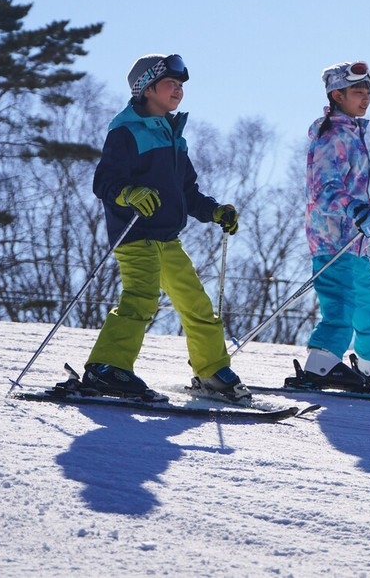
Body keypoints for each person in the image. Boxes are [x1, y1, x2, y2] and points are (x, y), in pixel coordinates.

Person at [83, 53, 248, 402]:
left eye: (181, 86)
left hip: (167, 238)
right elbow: (105, 181)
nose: (178, 91)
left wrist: (215, 211)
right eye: (171, 84)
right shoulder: (126, 131)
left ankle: (211, 370)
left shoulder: (173, 136)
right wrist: (129, 193)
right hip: (136, 235)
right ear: (146, 88)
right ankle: (106, 367)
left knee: (196, 304)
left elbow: (186, 192)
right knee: (141, 299)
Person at [284, 60, 370, 393]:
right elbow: (325, 188)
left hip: (353, 239)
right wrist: (357, 210)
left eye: (368, 91)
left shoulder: (353, 133)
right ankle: (321, 364)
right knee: (340, 301)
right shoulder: (334, 135)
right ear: (337, 94)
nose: (366, 97)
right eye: (357, 91)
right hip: (331, 237)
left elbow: (351, 189)